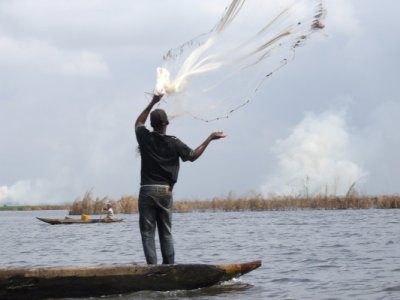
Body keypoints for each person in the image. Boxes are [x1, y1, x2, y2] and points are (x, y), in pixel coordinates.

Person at [135, 93, 226, 264]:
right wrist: (210, 138)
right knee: (166, 232)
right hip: (165, 191)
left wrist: (153, 102)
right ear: (166, 124)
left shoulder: (144, 137)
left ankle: (152, 269)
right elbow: (192, 155)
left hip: (147, 190)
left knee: (147, 232)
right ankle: (169, 268)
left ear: (152, 125)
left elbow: (138, 123)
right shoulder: (174, 142)